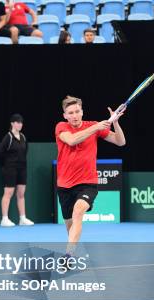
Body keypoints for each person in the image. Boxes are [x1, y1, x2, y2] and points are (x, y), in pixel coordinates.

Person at [55, 95, 126, 251]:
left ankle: (68, 256)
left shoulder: (93, 125)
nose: (74, 115)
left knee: (78, 211)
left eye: (77, 111)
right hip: (64, 184)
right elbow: (72, 140)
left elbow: (120, 142)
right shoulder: (61, 126)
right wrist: (96, 127)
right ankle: (72, 251)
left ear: (82, 112)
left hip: (87, 183)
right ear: (65, 116)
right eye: (70, 113)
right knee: (70, 225)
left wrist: (115, 122)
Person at [0, 113, 34, 227]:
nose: (20, 124)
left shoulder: (23, 137)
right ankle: (4, 219)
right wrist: (7, 165)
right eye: (18, 122)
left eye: (21, 122)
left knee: (21, 194)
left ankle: (22, 218)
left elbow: (25, 151)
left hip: (22, 168)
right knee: (8, 193)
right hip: (10, 169)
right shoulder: (8, 137)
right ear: (12, 123)